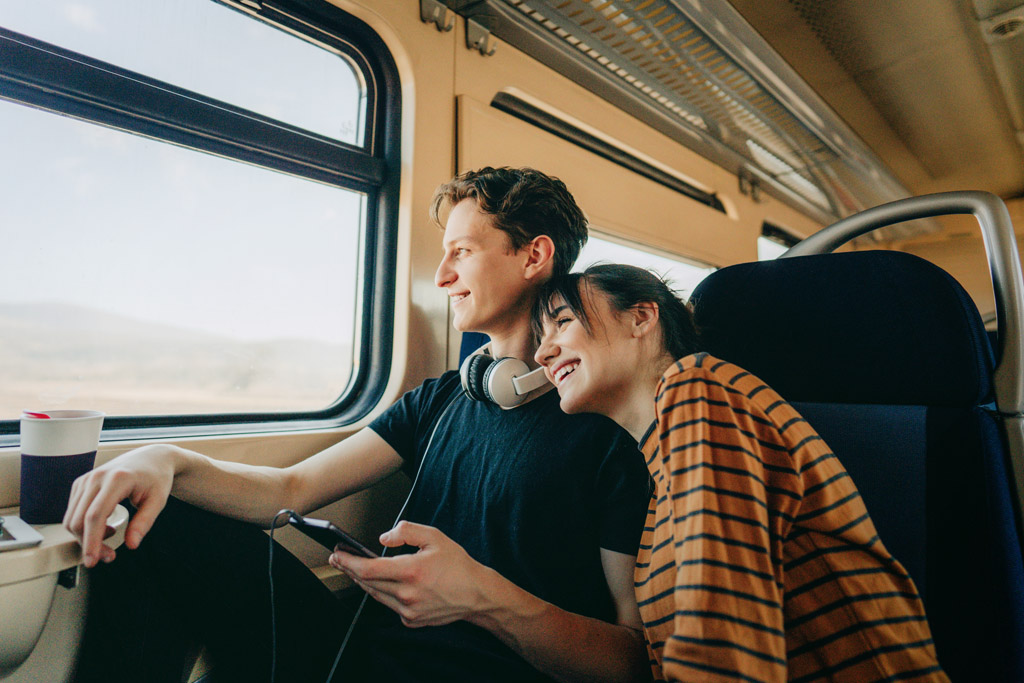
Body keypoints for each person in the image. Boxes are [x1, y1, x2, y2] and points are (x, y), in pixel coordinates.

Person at [64, 168, 653, 683]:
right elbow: (288, 491)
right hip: (362, 657)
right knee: (158, 518)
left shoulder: (605, 429)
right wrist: (165, 459)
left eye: (463, 252)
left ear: (533, 256)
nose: (443, 274)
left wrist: (481, 597)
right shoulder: (441, 399)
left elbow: (635, 660)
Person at [533, 263, 948, 682]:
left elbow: (722, 637)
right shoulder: (659, 473)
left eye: (563, 322)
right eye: (540, 337)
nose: (541, 353)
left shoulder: (696, 390)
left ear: (641, 317)